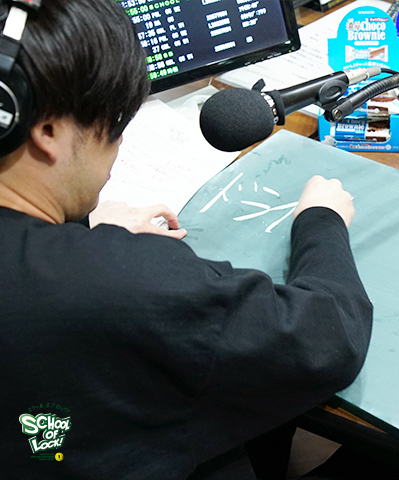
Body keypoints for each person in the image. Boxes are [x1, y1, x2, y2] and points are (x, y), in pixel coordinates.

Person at [0, 1, 373, 478]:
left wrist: (79, 230)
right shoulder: (126, 280)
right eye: (115, 127)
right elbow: (329, 340)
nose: (116, 150)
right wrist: (321, 220)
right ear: (48, 130)